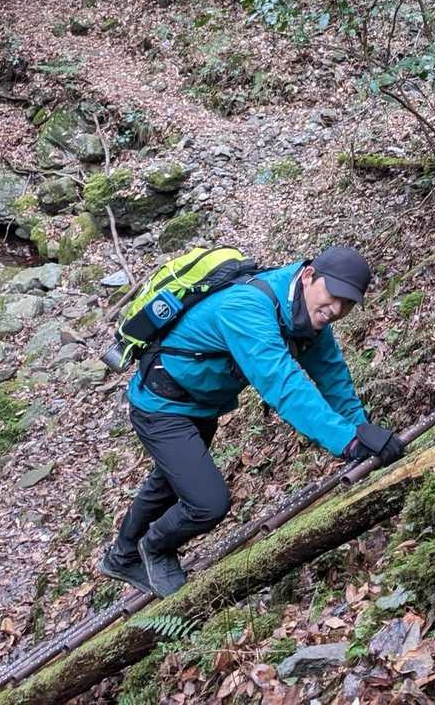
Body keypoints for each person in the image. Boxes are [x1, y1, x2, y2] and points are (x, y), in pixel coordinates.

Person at [99, 245, 405, 597]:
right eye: (333, 295)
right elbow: (282, 384)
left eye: (347, 303)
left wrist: (362, 431)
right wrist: (348, 442)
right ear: (309, 276)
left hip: (200, 406)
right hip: (161, 406)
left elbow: (333, 378)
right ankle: (154, 547)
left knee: (167, 482)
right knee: (208, 503)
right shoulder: (247, 306)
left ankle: (121, 557)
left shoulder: (306, 317)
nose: (336, 309)